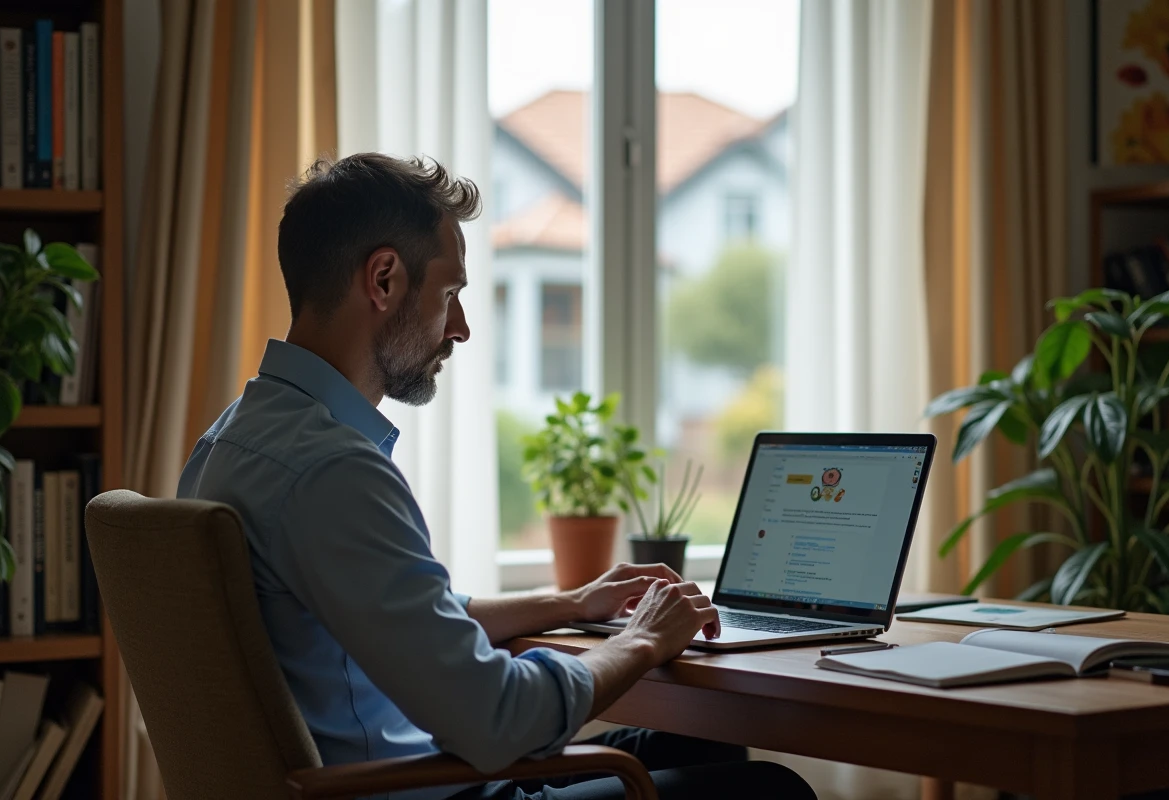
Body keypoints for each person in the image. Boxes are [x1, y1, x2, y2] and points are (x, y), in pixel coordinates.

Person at [177, 153, 816, 800]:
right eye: (450, 294)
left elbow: (403, 624)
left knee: (701, 745)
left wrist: (569, 602)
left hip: (379, 775)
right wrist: (646, 638)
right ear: (384, 279)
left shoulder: (232, 441)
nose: (461, 328)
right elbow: (499, 720)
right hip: (426, 788)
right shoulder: (334, 471)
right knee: (767, 789)